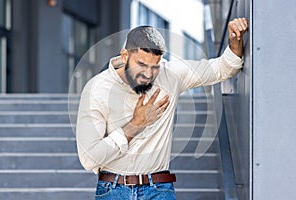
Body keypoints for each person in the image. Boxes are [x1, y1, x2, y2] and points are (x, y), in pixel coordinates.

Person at [76, 18, 249, 199]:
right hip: (112, 190)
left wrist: (235, 40)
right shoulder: (97, 89)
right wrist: (136, 124)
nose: (149, 74)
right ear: (125, 56)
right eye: (141, 65)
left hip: (159, 190)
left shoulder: (170, 75)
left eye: (154, 67)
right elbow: (89, 159)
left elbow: (223, 68)